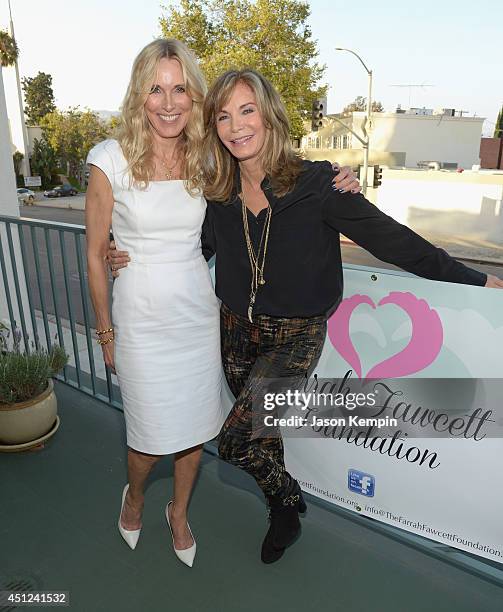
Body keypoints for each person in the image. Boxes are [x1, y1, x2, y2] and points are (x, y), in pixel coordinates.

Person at [110, 67, 503, 564]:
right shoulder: (217, 192)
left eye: (247, 110)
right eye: (225, 116)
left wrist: (477, 280)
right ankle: (281, 511)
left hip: (295, 336)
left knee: (235, 442)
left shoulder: (319, 183)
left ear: (270, 115)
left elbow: (396, 242)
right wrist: (120, 251)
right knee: (263, 436)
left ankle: (287, 502)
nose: (237, 126)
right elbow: (188, 245)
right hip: (231, 331)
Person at [87, 39, 360, 568]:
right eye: (156, 90)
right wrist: (106, 331)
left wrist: (336, 173)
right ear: (139, 97)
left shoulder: (208, 157)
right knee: (146, 438)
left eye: (180, 89)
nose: (168, 102)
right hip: (139, 318)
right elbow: (98, 256)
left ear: (194, 98)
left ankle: (180, 513)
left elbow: (274, 171)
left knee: (195, 431)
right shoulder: (109, 159)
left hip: (197, 315)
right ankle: (137, 497)